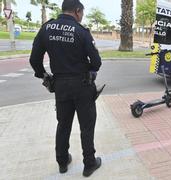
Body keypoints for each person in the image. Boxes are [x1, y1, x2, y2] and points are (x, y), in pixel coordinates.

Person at [29, 0, 102, 177]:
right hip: (82, 85)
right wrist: (91, 71)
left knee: (63, 124)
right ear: (77, 11)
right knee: (86, 126)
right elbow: (96, 62)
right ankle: (89, 164)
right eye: (82, 13)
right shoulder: (81, 31)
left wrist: (44, 76)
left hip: (60, 85)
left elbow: (34, 60)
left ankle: (62, 162)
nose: (82, 16)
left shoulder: (47, 28)